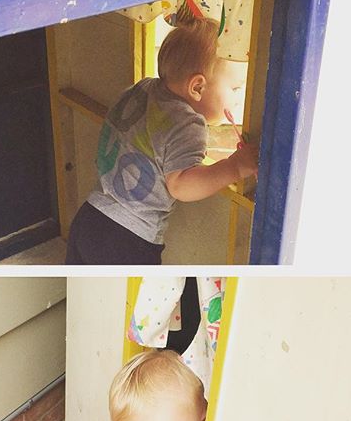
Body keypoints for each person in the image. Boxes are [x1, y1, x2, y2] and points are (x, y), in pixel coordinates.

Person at [65, 17, 258, 264]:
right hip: (128, 239)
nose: (237, 99)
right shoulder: (188, 123)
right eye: (234, 89)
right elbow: (180, 186)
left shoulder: (144, 88)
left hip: (90, 217)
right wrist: (235, 167)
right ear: (197, 87)